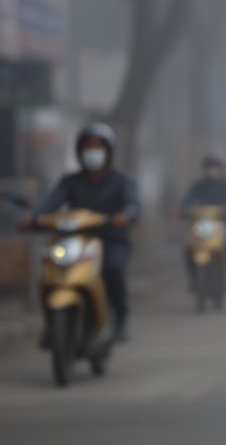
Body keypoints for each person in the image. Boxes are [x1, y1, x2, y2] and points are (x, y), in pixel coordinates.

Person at [20, 123, 139, 343]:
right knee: (51, 268)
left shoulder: (122, 181)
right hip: (75, 240)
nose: (93, 151)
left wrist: (125, 215)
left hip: (111, 239)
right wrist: (35, 218)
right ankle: (51, 324)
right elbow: (50, 204)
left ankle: (120, 317)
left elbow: (133, 205)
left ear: (108, 151)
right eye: (88, 147)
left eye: (98, 147)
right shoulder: (70, 182)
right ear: (79, 150)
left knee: (112, 269)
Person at [180, 155, 226, 285]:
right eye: (210, 168)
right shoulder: (199, 185)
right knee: (191, 247)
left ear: (221, 169)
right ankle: (193, 277)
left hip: (223, 223)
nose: (213, 171)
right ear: (205, 169)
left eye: (216, 168)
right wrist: (184, 209)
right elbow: (188, 199)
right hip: (203, 223)